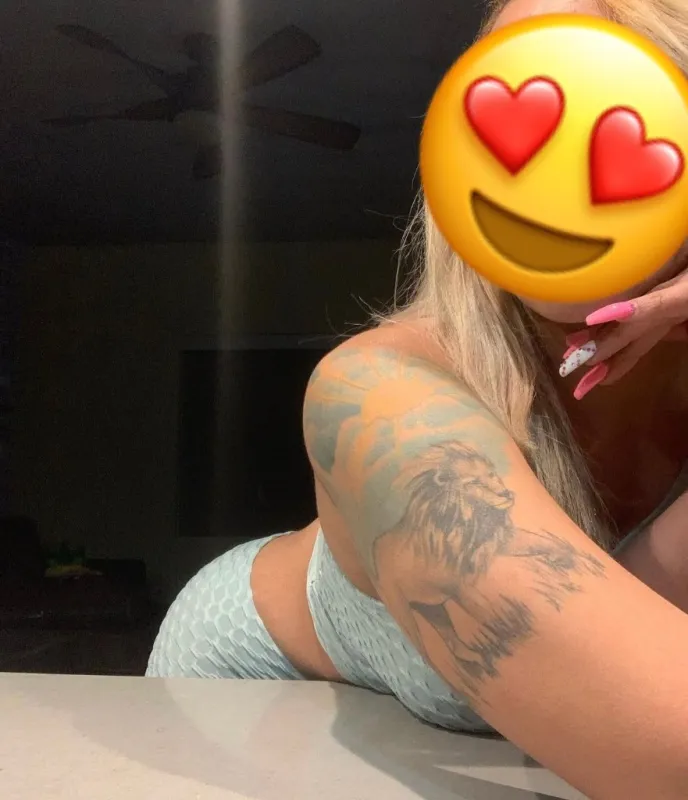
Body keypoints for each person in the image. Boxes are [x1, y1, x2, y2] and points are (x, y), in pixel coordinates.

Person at [147, 0, 688, 796]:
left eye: (616, 93)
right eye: (507, 93)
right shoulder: (380, 393)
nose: (557, 158)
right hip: (249, 682)